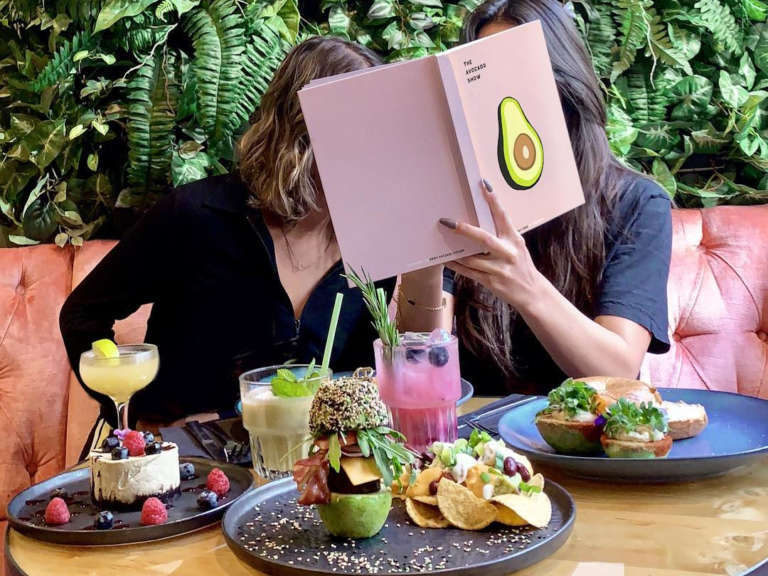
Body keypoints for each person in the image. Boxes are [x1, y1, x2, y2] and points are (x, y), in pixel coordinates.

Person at [59, 36, 442, 437]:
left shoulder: (369, 241)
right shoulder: (195, 216)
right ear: (300, 133)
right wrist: (135, 414)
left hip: (306, 461)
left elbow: (359, 376)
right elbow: (82, 315)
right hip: (191, 463)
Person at [436, 0, 673, 395]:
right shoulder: (462, 203)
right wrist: (422, 255)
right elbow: (424, 362)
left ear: (565, 83)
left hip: (580, 428)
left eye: (516, 72)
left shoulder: (636, 203)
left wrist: (525, 284)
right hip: (471, 429)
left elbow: (617, 371)